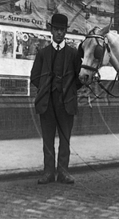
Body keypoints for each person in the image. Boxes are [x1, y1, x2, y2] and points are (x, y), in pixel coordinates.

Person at [30, 14, 82, 184]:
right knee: (47, 140)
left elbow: (79, 79)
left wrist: (68, 90)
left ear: (66, 31)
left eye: (62, 30)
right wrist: (46, 89)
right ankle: (48, 173)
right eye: (56, 29)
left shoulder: (73, 54)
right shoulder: (43, 53)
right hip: (47, 104)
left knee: (65, 140)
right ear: (51, 30)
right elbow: (35, 77)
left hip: (66, 104)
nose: (59, 33)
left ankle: (63, 172)